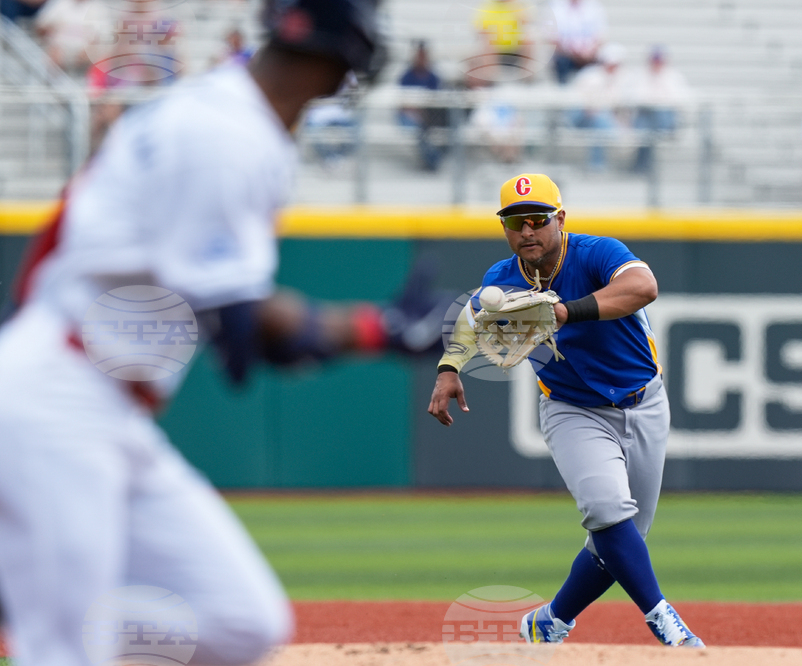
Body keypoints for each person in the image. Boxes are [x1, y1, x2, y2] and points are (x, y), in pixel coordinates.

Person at [0, 2, 443, 666]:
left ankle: (36, 601)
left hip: (105, 405)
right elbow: (248, 329)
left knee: (239, 621)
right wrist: (379, 329)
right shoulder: (228, 133)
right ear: (338, 57)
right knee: (63, 652)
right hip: (61, 397)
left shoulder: (222, 113)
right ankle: (46, 614)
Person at [427, 173, 705, 649]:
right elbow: (472, 318)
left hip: (645, 401)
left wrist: (565, 311)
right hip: (572, 408)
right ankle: (665, 621)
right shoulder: (502, 279)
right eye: (515, 221)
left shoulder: (596, 252)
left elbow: (644, 285)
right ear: (504, 227)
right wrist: (449, 367)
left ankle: (550, 621)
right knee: (605, 509)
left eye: (537, 219)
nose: (527, 231)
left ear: (560, 218)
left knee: (622, 538)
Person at [630, 45, 694, 173]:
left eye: (659, 61)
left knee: (653, 124)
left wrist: (656, 100)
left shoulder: (674, 76)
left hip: (665, 117)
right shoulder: (640, 75)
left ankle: (642, 165)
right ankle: (643, 165)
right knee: (645, 129)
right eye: (654, 60)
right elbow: (635, 97)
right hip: (645, 114)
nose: (657, 64)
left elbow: (679, 99)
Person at [568, 42, 627, 171]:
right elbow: (582, 103)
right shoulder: (590, 76)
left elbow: (615, 104)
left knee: (599, 125)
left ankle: (597, 165)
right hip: (580, 115)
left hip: (600, 117)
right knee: (600, 122)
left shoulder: (620, 78)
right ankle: (616, 138)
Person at [398, 40, 446, 171]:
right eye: (419, 55)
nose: (421, 58)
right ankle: (432, 161)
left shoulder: (433, 77)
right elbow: (403, 103)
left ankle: (432, 160)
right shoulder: (406, 77)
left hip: (429, 115)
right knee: (418, 131)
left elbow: (437, 102)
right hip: (410, 115)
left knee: (438, 129)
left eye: (424, 55)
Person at [550, 0, 605, 84]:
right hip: (565, 54)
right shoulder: (557, 6)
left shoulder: (593, 6)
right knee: (561, 61)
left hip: (588, 54)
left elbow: (600, 35)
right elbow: (553, 37)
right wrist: (570, 51)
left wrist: (588, 51)